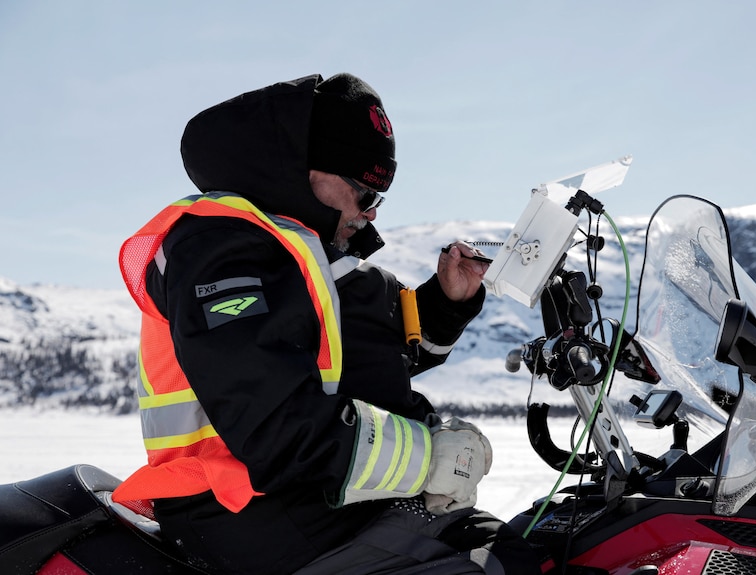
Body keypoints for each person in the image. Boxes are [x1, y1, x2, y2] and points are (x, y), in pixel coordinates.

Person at [113, 73, 540, 574]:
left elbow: (372, 355)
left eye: (380, 197)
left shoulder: (314, 255)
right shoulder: (219, 247)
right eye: (363, 191)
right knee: (493, 564)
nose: (371, 214)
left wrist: (446, 302)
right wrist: (430, 458)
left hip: (311, 502)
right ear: (302, 167)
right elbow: (276, 422)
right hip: (244, 511)